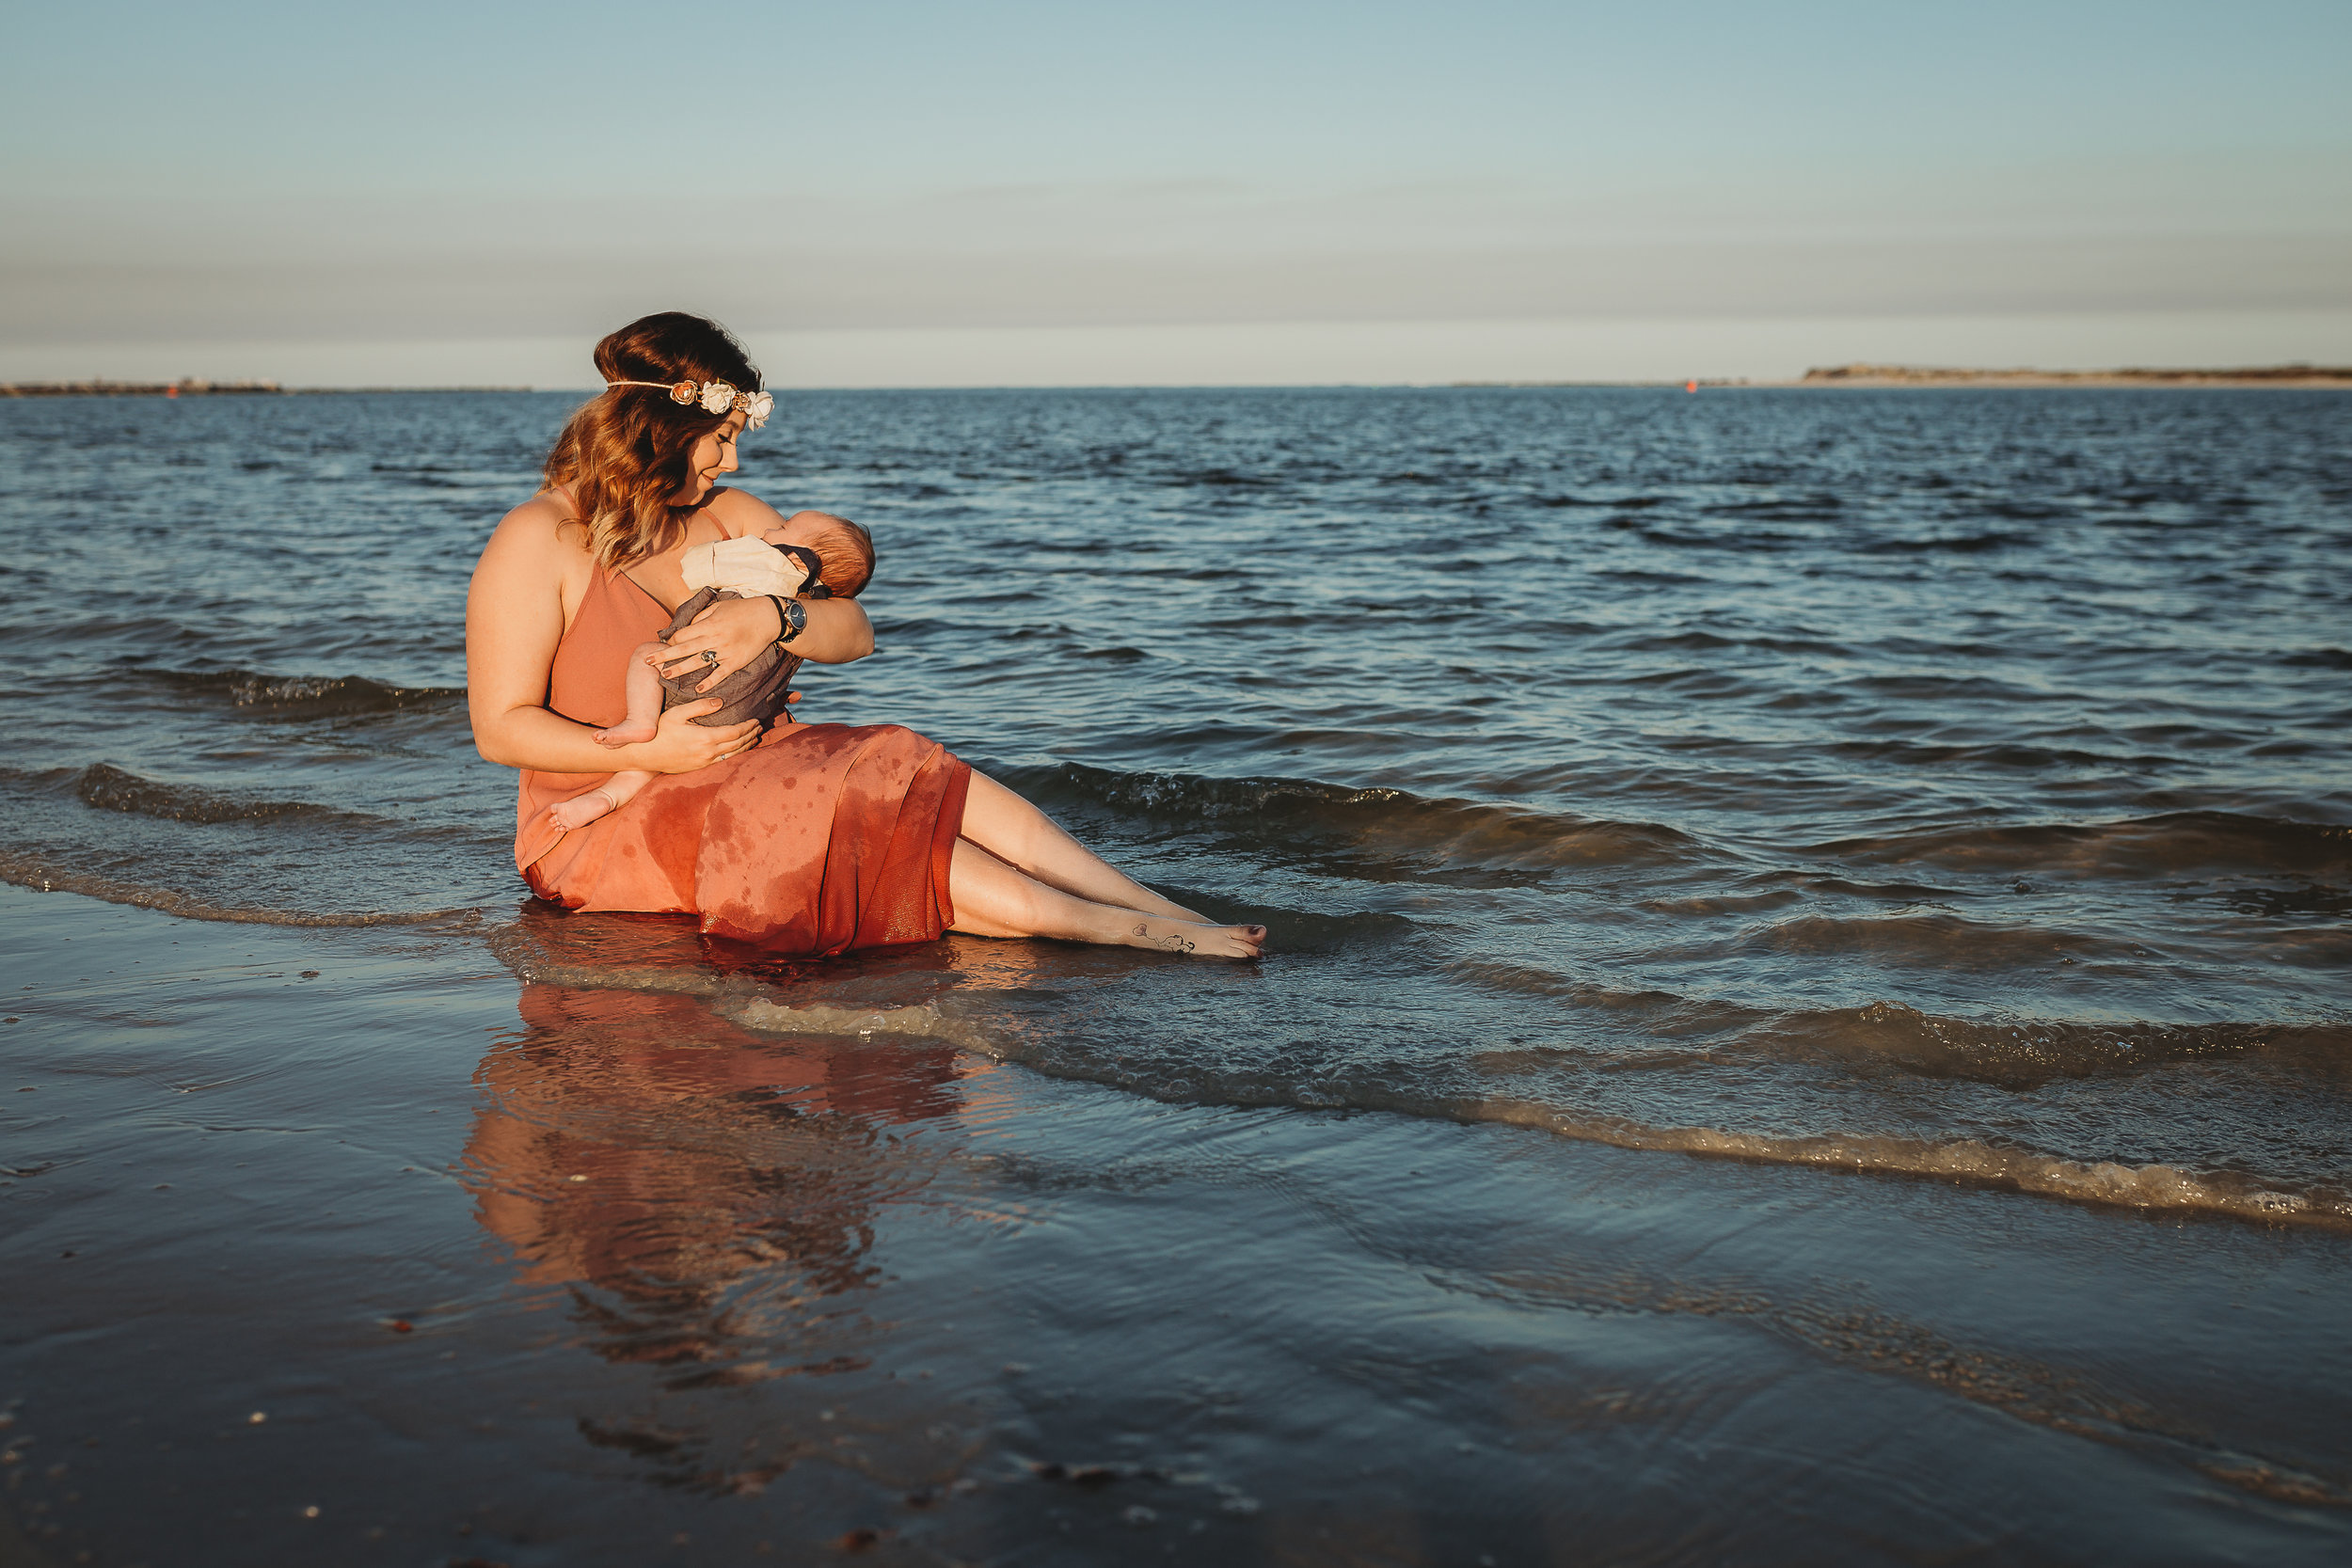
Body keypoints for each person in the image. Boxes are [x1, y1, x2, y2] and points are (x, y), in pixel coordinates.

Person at [465, 311, 1265, 959]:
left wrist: (775, 616)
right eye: (723, 435)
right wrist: (650, 752)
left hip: (746, 760)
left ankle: (1142, 899)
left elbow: (856, 632)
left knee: (898, 758)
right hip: (597, 818)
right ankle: (1121, 929)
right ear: (663, 425)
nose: (734, 456)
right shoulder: (541, 537)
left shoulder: (734, 520)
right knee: (837, 812)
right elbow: (500, 729)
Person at [545, 509, 872, 832]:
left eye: (783, 527)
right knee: (668, 759)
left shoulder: (764, 562)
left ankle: (636, 730)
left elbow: (700, 565)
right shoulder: (812, 596)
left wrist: (771, 613)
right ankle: (608, 795)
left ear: (799, 560)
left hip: (694, 688)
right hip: (743, 715)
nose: (769, 531)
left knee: (649, 656)